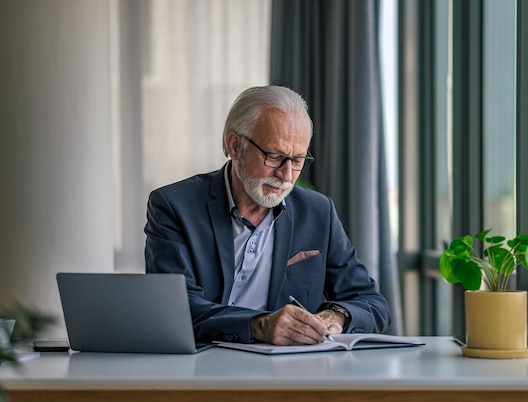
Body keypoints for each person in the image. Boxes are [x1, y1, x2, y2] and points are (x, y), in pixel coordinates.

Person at [144, 85, 391, 346]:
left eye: (297, 160)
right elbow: (176, 310)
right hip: (200, 368)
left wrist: (338, 315)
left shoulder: (318, 212)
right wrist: (259, 326)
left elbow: (372, 302)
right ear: (235, 145)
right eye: (274, 157)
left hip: (286, 374)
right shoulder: (174, 206)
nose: (286, 175)